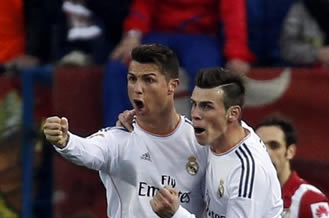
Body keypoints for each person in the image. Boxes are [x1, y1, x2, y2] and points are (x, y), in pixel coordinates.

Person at [43, 44, 208, 218]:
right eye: (132, 79)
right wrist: (65, 140)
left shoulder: (200, 143)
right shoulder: (119, 139)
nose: (137, 88)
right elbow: (86, 150)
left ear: (171, 86)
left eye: (148, 80)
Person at [150, 68, 296, 218]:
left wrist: (177, 216)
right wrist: (136, 124)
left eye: (207, 107)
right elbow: (176, 132)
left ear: (232, 113)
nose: (195, 114)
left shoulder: (248, 167)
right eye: (194, 104)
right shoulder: (217, 136)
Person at [102, 0, 255, 126]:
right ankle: (117, 140)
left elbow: (233, 11)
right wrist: (132, 35)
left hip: (200, 35)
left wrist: (236, 54)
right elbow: (144, 4)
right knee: (121, 65)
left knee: (209, 78)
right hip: (159, 32)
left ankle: (209, 141)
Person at [255, 117, 329, 218]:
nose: (266, 153)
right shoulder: (243, 195)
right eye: (260, 146)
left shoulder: (310, 200)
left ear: (290, 151)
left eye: (274, 146)